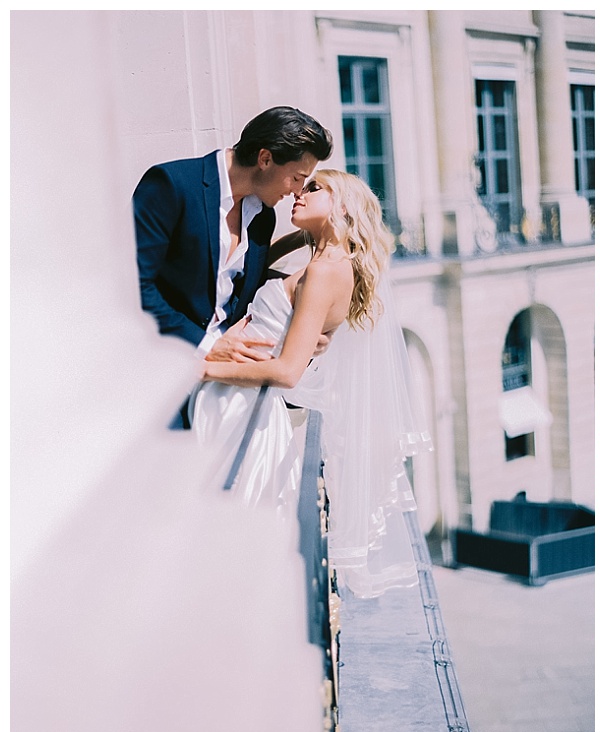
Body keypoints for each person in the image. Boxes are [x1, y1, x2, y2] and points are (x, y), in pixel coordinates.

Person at [190, 169, 432, 598]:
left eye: (315, 188)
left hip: (241, 405)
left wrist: (203, 369)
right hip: (237, 398)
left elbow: (287, 371)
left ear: (343, 207)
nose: (299, 193)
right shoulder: (321, 258)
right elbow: (257, 267)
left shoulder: (324, 271)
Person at [133, 106, 334, 426]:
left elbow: (240, 286)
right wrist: (210, 346)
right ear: (265, 159)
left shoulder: (263, 217)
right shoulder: (171, 185)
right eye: (297, 178)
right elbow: (133, 286)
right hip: (161, 379)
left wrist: (303, 320)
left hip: (227, 386)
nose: (297, 191)